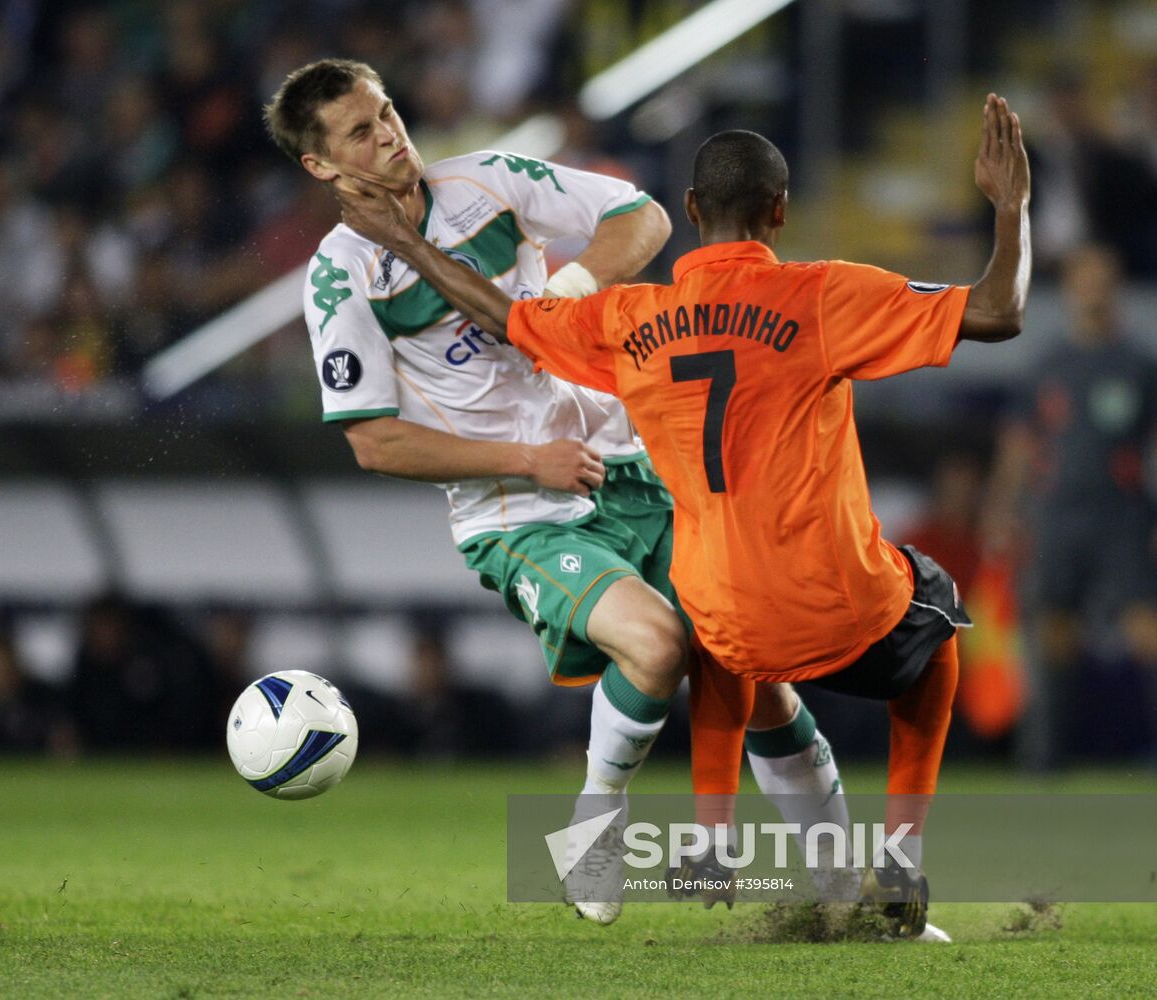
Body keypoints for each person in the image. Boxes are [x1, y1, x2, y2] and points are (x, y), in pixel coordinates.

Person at [333, 92, 1032, 939]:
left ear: (693, 211)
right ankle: (896, 863)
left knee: (711, 624)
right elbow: (997, 312)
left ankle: (712, 841)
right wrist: (1009, 208)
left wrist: (405, 245)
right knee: (938, 625)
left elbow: (507, 318)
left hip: (728, 615)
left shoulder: (631, 320)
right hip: (832, 608)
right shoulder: (824, 296)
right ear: (779, 211)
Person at [263, 58, 852, 924]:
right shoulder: (341, 276)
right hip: (518, 509)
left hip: (635, 469)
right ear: (319, 165)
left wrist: (565, 296)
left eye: (387, 113)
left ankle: (854, 892)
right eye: (359, 131)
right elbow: (374, 442)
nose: (389, 135)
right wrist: (524, 458)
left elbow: (641, 217)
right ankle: (592, 823)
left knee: (757, 671)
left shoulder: (488, 183)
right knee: (654, 646)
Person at [986, 244, 1157, 770]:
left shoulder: (1138, 365)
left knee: (1146, 628)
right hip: (1056, 515)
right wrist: (1001, 510)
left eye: (1105, 279)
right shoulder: (1047, 366)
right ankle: (1045, 758)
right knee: (1054, 632)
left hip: (1122, 515)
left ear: (1116, 286)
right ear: (1072, 288)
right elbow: (1018, 445)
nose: (1096, 289)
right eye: (1087, 279)